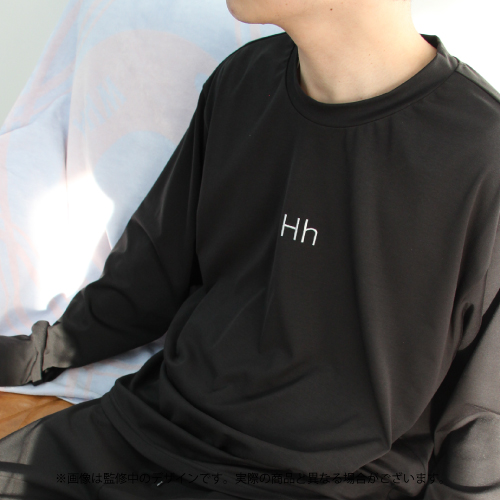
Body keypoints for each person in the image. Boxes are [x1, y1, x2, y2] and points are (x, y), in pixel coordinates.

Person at [1, 0, 500, 498]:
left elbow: (481, 425)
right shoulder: (244, 80)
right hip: (153, 431)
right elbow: (148, 280)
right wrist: (34, 355)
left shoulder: (482, 154)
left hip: (325, 486)